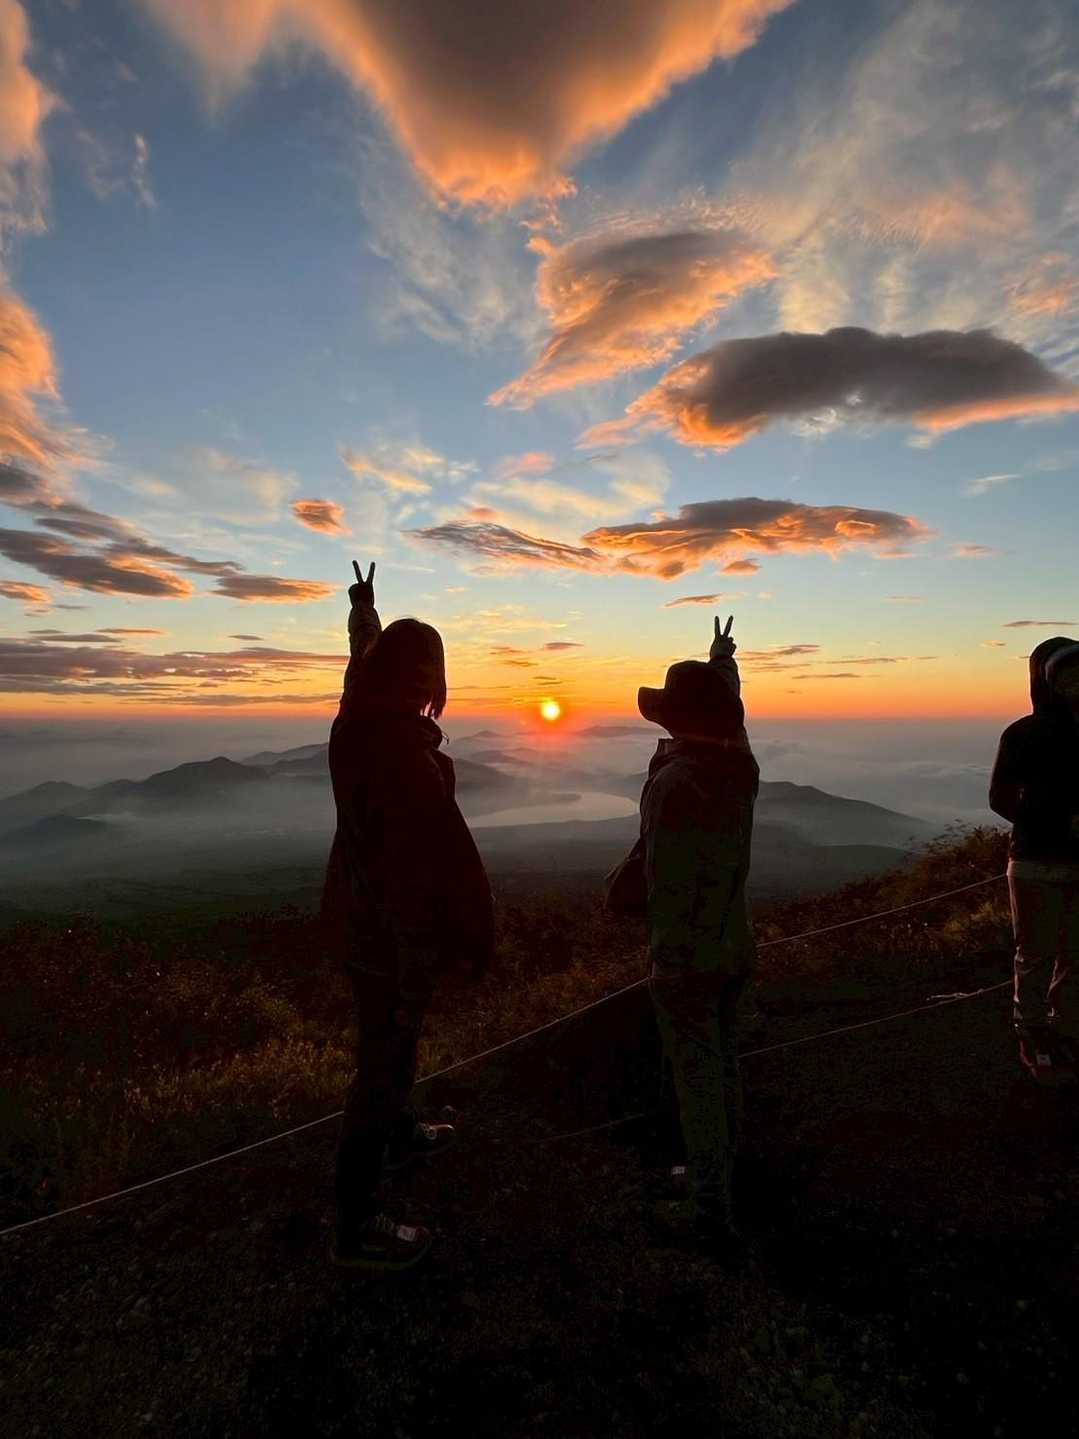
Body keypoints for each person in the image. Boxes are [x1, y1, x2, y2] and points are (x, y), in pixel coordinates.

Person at [322, 560, 494, 1270]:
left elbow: (360, 663)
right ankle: (357, 1223)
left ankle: (397, 1136)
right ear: (422, 682)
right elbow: (421, 876)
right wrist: (440, 950)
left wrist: (364, 610)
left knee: (392, 1048)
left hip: (358, 918)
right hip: (390, 936)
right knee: (382, 1064)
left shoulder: (356, 721)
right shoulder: (400, 757)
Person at [619, 614, 760, 1259]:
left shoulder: (675, 782)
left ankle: (709, 1209)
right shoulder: (740, 766)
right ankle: (720, 1175)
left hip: (686, 954)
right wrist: (724, 659)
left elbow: (661, 876)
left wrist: (657, 942)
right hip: (734, 943)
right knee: (723, 1065)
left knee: (697, 1078)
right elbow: (732, 716)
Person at [990, 636, 1079, 1087]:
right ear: (1046, 681)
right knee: (1035, 953)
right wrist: (1056, 826)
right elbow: (1000, 798)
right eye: (1067, 676)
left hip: (1050, 860)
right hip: (1034, 862)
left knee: (1074, 953)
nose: (1076, 684)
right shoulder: (1022, 734)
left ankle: (1066, 1028)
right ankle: (1032, 1031)